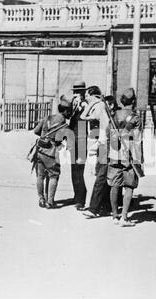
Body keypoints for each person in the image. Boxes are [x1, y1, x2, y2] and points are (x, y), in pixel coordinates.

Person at [106, 88, 142, 226]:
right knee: (129, 186)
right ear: (133, 101)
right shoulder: (135, 118)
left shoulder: (114, 115)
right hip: (130, 155)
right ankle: (124, 217)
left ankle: (115, 215)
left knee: (115, 185)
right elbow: (137, 139)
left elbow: (108, 133)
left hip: (114, 154)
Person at [34, 96, 72, 209]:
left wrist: (44, 136)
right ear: (65, 111)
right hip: (52, 152)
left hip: (40, 150)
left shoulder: (48, 117)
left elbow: (36, 131)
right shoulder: (64, 124)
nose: (70, 113)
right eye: (69, 111)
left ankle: (41, 199)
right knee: (54, 176)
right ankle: (50, 202)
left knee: (40, 176)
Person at [79, 86, 111, 218]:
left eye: (87, 95)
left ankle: (93, 206)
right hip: (95, 142)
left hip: (99, 142)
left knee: (93, 174)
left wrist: (91, 104)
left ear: (93, 95)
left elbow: (84, 117)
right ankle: (98, 205)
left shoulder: (99, 105)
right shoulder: (99, 104)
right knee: (92, 174)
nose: (85, 98)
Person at [68, 81, 88, 211]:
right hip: (73, 138)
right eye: (75, 91)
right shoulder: (72, 105)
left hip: (82, 139)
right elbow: (68, 119)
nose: (77, 94)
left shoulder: (87, 104)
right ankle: (76, 195)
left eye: (79, 91)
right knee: (73, 170)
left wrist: (82, 106)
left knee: (80, 170)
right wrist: (72, 107)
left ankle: (81, 199)